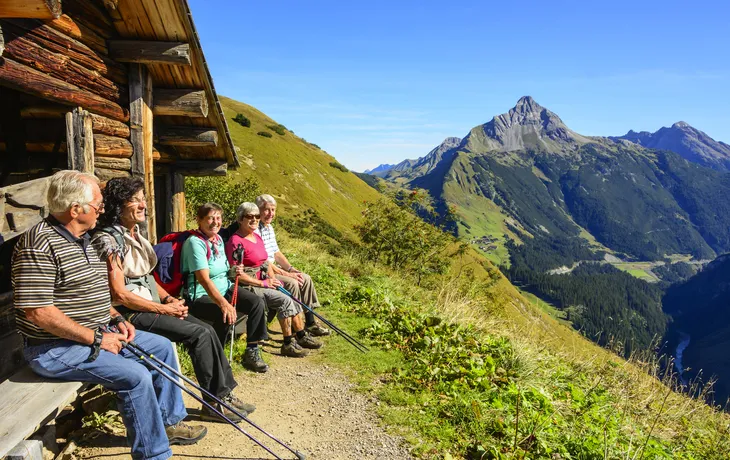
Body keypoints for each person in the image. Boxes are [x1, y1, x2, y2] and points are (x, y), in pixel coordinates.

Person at [13, 170, 206, 460]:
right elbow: (37, 312)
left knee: (161, 347)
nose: (103, 210)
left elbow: (94, 296)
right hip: (53, 348)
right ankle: (154, 455)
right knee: (136, 376)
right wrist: (97, 339)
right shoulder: (38, 244)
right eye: (98, 205)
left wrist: (117, 318)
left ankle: (169, 423)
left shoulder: (86, 240)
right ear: (75, 209)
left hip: (95, 333)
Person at [90, 177, 256, 422]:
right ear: (118, 205)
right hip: (130, 313)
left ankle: (222, 395)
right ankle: (214, 403)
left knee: (207, 330)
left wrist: (168, 298)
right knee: (198, 334)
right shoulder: (109, 240)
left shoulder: (134, 235)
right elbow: (119, 294)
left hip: (151, 304)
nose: (142, 205)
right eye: (134, 200)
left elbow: (145, 277)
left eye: (143, 199)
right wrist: (163, 309)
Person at [225, 202, 322, 358]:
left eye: (257, 216)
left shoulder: (256, 237)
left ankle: (300, 334)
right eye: (250, 217)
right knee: (284, 300)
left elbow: (265, 262)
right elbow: (236, 275)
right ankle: (288, 343)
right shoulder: (236, 242)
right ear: (240, 219)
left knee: (290, 292)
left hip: (263, 279)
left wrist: (271, 278)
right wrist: (264, 283)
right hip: (249, 284)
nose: (255, 219)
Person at [182, 202, 269, 373]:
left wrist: (233, 271)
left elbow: (222, 271)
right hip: (200, 294)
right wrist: (224, 304)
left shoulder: (218, 239)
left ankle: (252, 350)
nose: (215, 222)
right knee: (224, 313)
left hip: (225, 287)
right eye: (210, 218)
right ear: (199, 220)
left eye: (218, 218)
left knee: (256, 303)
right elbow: (204, 280)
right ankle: (217, 359)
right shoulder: (195, 243)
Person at [255, 194, 329, 336]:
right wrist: (288, 274)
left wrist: (290, 268)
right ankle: (296, 327)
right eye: (266, 210)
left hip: (274, 268)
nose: (271, 213)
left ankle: (310, 321)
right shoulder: (255, 229)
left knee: (304, 278)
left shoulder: (268, 227)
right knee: (293, 282)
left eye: (273, 209)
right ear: (258, 210)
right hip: (265, 271)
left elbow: (276, 253)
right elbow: (265, 262)